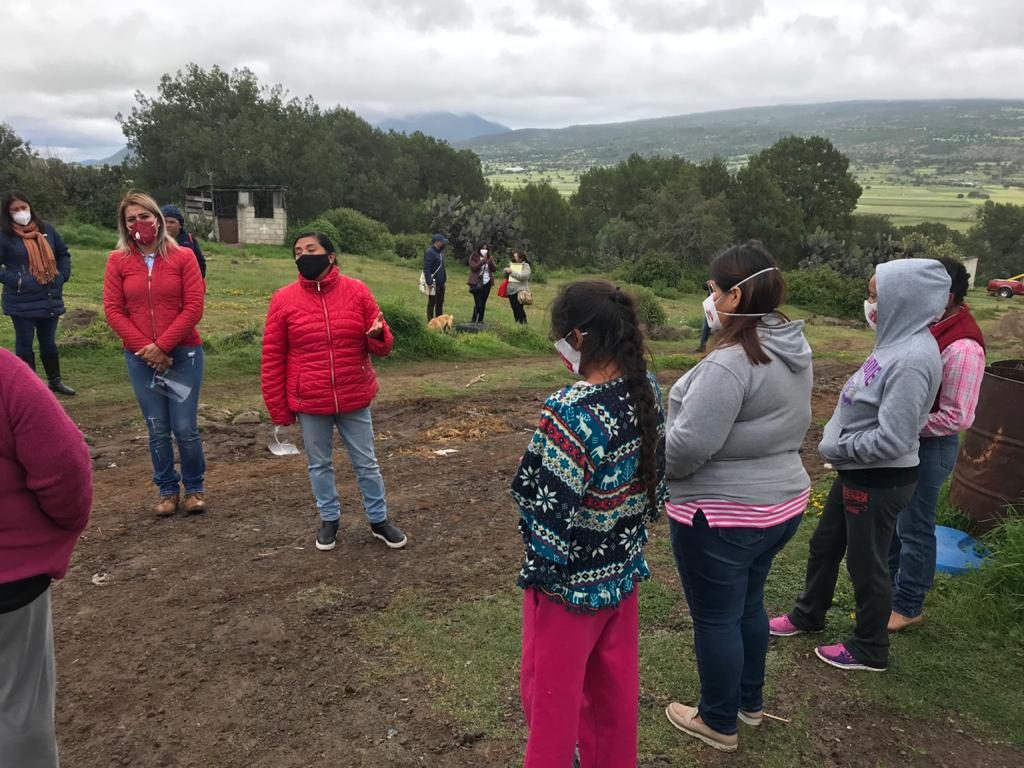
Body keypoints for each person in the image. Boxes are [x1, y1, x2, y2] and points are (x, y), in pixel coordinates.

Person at [663, 242, 812, 752]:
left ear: (737, 294)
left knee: (716, 618)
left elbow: (686, 448)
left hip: (723, 516)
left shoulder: (729, 364)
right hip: (782, 504)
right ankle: (748, 702)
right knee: (748, 605)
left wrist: (652, 458)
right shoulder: (791, 346)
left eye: (713, 290)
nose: (709, 298)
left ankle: (718, 720)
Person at [511, 280, 666, 768]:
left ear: (577, 338)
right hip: (621, 576)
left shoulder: (570, 412)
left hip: (566, 590)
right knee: (611, 699)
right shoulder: (647, 391)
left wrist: (544, 572)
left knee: (551, 706)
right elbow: (653, 486)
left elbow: (543, 506)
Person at [770, 258, 951, 672]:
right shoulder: (894, 344)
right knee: (824, 545)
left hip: (877, 478)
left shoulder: (912, 360)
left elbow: (895, 437)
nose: (869, 304)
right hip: (858, 471)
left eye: (875, 296)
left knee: (867, 562)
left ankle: (870, 646)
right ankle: (808, 614)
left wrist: (840, 447)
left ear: (904, 301)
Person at [262, 231, 407, 551]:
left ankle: (379, 520)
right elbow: (273, 356)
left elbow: (383, 346)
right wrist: (279, 408)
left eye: (310, 249)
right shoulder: (283, 299)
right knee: (319, 465)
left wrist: (378, 336)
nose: (303, 256)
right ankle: (329, 520)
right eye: (297, 252)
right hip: (310, 399)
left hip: (353, 393)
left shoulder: (357, 292)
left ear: (330, 256)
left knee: (366, 462)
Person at [0, 349, 93, 767]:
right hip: (9, 578)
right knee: (17, 711)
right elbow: (64, 463)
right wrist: (65, 524)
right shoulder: (5, 374)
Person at [888, 257, 986, 631]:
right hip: (910, 442)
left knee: (914, 528)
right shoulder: (932, 325)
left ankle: (908, 605)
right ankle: (894, 593)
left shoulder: (962, 346)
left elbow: (957, 416)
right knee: (900, 523)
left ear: (946, 296)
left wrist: (898, 424)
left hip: (930, 447)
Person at [103, 191, 207, 516]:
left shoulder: (184, 257)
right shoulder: (117, 261)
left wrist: (162, 346)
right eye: (131, 219)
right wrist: (147, 350)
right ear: (124, 225)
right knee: (156, 425)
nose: (139, 223)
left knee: (185, 426)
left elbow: (193, 307)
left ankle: (193, 488)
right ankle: (166, 489)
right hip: (140, 358)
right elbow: (113, 310)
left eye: (144, 216)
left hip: (183, 354)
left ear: (158, 219)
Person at [0, 191, 76, 395]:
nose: (21, 212)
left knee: (49, 342)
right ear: (8, 213)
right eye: (15, 210)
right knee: (25, 343)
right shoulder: (4, 235)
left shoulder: (46, 230)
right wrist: (17, 280)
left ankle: (55, 380)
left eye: (23, 207)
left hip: (49, 296)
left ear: (30, 207)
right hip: (21, 300)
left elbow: (62, 253)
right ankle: (30, 387)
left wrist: (62, 276)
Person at [160, 204, 206, 279]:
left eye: (172, 222)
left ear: (180, 225)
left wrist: (197, 280)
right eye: (164, 221)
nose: (167, 225)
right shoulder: (155, 241)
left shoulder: (189, 240)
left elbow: (200, 262)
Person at [467, 242, 497, 323]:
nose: (485, 250)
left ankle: (480, 320)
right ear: (479, 249)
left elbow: (494, 269)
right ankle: (474, 320)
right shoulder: (474, 256)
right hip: (476, 282)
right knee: (478, 303)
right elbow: (473, 267)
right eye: (483, 248)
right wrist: (482, 261)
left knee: (483, 302)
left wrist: (490, 263)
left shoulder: (489, 257)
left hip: (487, 282)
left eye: (486, 249)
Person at [423, 234, 448, 321]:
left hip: (441, 282)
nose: (444, 243)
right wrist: (429, 282)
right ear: (437, 242)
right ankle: (430, 320)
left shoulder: (440, 252)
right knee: (432, 302)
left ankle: (439, 319)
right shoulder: (430, 252)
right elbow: (427, 268)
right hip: (434, 282)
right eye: (442, 242)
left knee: (440, 302)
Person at [504, 249, 532, 324]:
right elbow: (507, 277)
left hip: (520, 291)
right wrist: (506, 272)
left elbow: (524, 276)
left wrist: (512, 272)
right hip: (511, 290)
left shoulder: (526, 266)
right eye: (514, 256)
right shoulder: (512, 264)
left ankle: (524, 325)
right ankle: (517, 324)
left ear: (521, 257)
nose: (514, 258)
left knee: (519, 308)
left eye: (516, 256)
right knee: (514, 308)